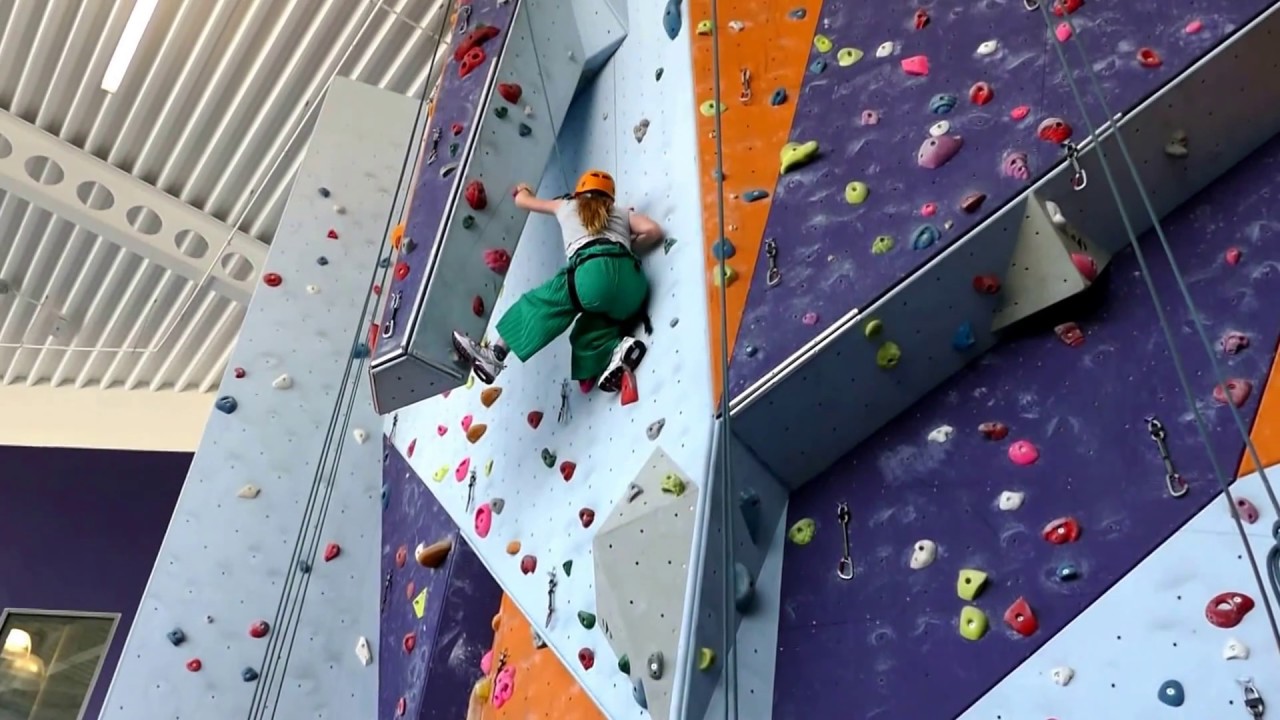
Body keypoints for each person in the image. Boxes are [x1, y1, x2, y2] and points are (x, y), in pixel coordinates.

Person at [452, 169, 665, 392]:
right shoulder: (621, 212)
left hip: (592, 276)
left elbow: (523, 202)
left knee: (540, 302)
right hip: (634, 288)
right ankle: (618, 351)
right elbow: (654, 231)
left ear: (578, 193)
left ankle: (494, 356)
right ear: (610, 197)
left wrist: (523, 189)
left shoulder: (566, 205)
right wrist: (628, 247)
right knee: (587, 331)